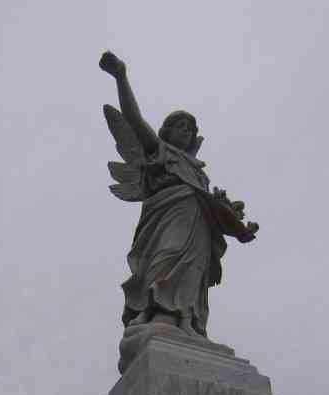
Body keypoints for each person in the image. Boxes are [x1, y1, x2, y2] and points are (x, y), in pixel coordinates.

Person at [99, 51, 257, 337]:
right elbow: (134, 120)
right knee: (166, 256)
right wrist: (121, 77)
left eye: (190, 128)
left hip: (196, 226)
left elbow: (210, 205)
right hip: (165, 218)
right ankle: (153, 311)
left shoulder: (197, 170)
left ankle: (187, 321)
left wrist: (230, 215)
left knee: (193, 270)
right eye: (180, 126)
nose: (186, 131)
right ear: (166, 131)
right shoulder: (158, 150)